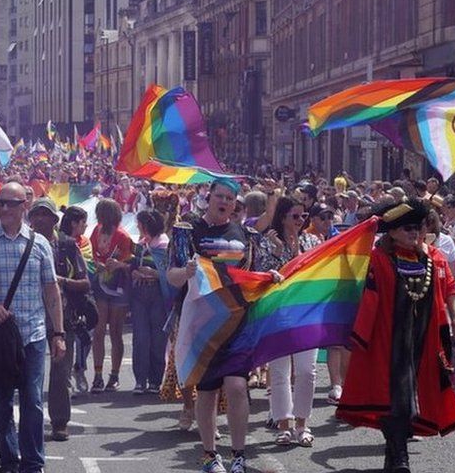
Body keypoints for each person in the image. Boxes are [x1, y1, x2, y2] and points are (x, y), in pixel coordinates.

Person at [337, 200, 455, 473]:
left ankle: (394, 451)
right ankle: (399, 456)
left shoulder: (430, 259)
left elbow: (447, 289)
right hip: (389, 342)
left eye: (418, 227)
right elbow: (358, 286)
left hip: (422, 342)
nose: (414, 233)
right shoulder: (379, 259)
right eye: (407, 228)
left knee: (411, 399)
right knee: (395, 398)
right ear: (392, 232)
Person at [0, 182, 66, 473]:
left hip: (32, 336)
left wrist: (59, 334)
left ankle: (32, 464)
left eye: (10, 203)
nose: (4, 208)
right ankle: (8, 462)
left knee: (32, 403)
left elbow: (51, 291)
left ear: (24, 207)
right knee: (1, 405)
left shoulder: (40, 244)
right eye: (0, 203)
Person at [166, 177, 259, 473]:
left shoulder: (246, 235)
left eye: (230, 200)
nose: (224, 203)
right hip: (202, 323)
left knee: (236, 385)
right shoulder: (186, 232)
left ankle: (239, 455)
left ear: (235, 205)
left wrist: (271, 276)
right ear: (209, 198)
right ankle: (209, 455)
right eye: (219, 197)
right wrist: (186, 271)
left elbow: (251, 277)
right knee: (206, 391)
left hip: (236, 321)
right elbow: (172, 276)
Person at [256, 197, 321, 448]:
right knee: (280, 372)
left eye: (303, 216)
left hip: (306, 313)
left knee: (307, 371)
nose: (300, 221)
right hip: (279, 314)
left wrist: (296, 252)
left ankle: (303, 424)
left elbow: (316, 271)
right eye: (295, 216)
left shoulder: (312, 241)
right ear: (282, 217)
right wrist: (278, 251)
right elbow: (266, 276)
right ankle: (284, 424)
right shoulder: (266, 242)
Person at [29, 198, 88, 442]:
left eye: (46, 214)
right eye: (36, 215)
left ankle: (59, 422)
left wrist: (60, 281)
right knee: (27, 371)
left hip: (62, 316)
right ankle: (28, 421)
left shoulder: (67, 246)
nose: (40, 219)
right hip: (29, 314)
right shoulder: (23, 243)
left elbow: (85, 283)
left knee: (61, 371)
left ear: (55, 220)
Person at [89, 198, 133, 393]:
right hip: (100, 285)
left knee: (115, 331)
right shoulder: (96, 231)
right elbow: (90, 254)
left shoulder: (123, 236)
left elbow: (131, 260)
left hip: (119, 287)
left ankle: (114, 375)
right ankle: (97, 374)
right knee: (98, 330)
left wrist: (119, 264)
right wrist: (96, 263)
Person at [129, 210, 170, 395]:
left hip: (158, 295)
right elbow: (132, 266)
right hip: (139, 294)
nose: (137, 226)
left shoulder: (164, 244)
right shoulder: (141, 244)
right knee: (140, 337)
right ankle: (140, 380)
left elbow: (170, 270)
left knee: (157, 338)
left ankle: (155, 380)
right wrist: (135, 272)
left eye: (139, 223)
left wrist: (154, 274)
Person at [60, 206, 96, 395]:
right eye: (83, 222)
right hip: (61, 301)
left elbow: (86, 271)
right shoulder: (61, 243)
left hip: (79, 300)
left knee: (84, 337)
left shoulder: (84, 242)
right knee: (63, 342)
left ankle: (79, 370)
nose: (86, 225)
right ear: (74, 223)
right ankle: (64, 382)